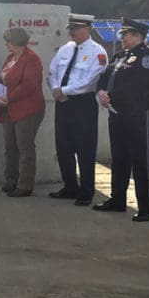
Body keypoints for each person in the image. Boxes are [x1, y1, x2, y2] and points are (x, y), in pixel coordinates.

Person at [94, 18, 149, 222]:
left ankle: (147, 209)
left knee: (141, 161)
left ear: (139, 36)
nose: (121, 38)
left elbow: (139, 85)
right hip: (119, 114)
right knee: (120, 158)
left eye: (126, 34)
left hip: (141, 114)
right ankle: (117, 200)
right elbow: (104, 78)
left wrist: (111, 95)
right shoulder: (120, 56)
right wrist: (102, 91)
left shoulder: (148, 57)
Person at [48, 14, 108, 205]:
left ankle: (86, 191)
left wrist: (63, 90)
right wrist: (56, 90)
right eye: (70, 28)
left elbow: (90, 81)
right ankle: (70, 187)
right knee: (63, 147)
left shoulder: (97, 52)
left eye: (75, 28)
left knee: (85, 149)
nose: (71, 32)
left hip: (83, 104)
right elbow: (52, 72)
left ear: (87, 29)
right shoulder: (66, 49)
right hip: (63, 103)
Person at [0, 27, 45, 197]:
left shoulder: (32, 59)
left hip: (28, 109)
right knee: (10, 146)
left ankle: (25, 184)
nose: (7, 44)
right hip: (9, 108)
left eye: (9, 41)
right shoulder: (10, 58)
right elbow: (1, 78)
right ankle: (11, 179)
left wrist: (9, 97)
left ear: (18, 42)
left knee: (25, 146)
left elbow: (29, 84)